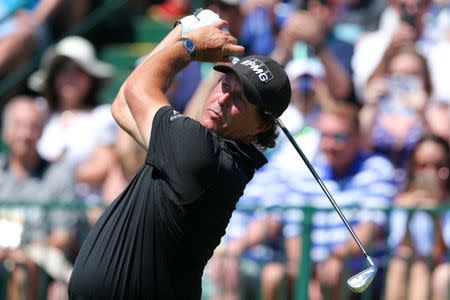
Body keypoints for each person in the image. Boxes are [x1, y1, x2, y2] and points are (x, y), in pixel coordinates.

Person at [67, 18, 291, 299]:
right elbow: (124, 104)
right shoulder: (208, 153)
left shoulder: (200, 152)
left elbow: (137, 89)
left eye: (239, 100)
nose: (222, 99)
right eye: (224, 84)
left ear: (261, 126)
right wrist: (182, 31)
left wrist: (190, 45)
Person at [260, 101, 398, 300]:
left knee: (333, 272)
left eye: (339, 137)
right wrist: (307, 279)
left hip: (354, 270)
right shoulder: (307, 172)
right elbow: (294, 233)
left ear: (357, 138)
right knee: (273, 275)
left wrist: (335, 258)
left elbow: (371, 228)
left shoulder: (377, 168)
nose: (330, 145)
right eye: (324, 136)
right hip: (310, 269)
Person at [27, 35, 118, 211]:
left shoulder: (102, 116)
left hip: (82, 212)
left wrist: (57, 173)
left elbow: (103, 166)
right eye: (63, 71)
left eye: (79, 71)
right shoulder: (40, 111)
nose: (70, 78)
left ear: (90, 78)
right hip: (41, 208)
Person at [0, 95, 78, 300]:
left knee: (23, 267)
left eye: (33, 126)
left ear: (42, 131)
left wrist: (22, 251)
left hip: (40, 262)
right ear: (5, 130)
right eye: (18, 125)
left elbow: (64, 236)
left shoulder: (59, 174)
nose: (25, 134)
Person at [384, 134, 450, 300]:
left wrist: (435, 215)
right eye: (423, 165)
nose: (431, 172)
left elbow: (439, 254)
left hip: (438, 270)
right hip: (411, 267)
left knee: (427, 270)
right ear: (413, 167)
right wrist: (410, 213)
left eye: (439, 165)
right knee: (401, 264)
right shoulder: (402, 201)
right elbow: (402, 247)